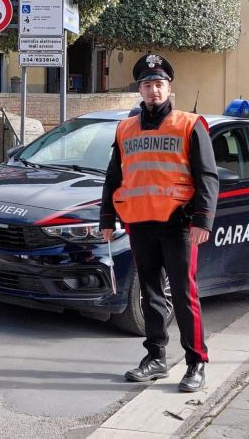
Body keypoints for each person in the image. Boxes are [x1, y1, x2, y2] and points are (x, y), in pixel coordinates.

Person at [99, 53, 218, 393]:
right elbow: (113, 175)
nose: (154, 90)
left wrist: (202, 220)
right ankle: (155, 358)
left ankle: (196, 363)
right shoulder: (125, 128)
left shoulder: (189, 124)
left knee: (183, 294)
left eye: (159, 84)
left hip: (179, 225)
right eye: (148, 84)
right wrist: (107, 216)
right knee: (150, 294)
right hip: (140, 222)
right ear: (140, 89)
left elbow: (207, 176)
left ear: (169, 87)